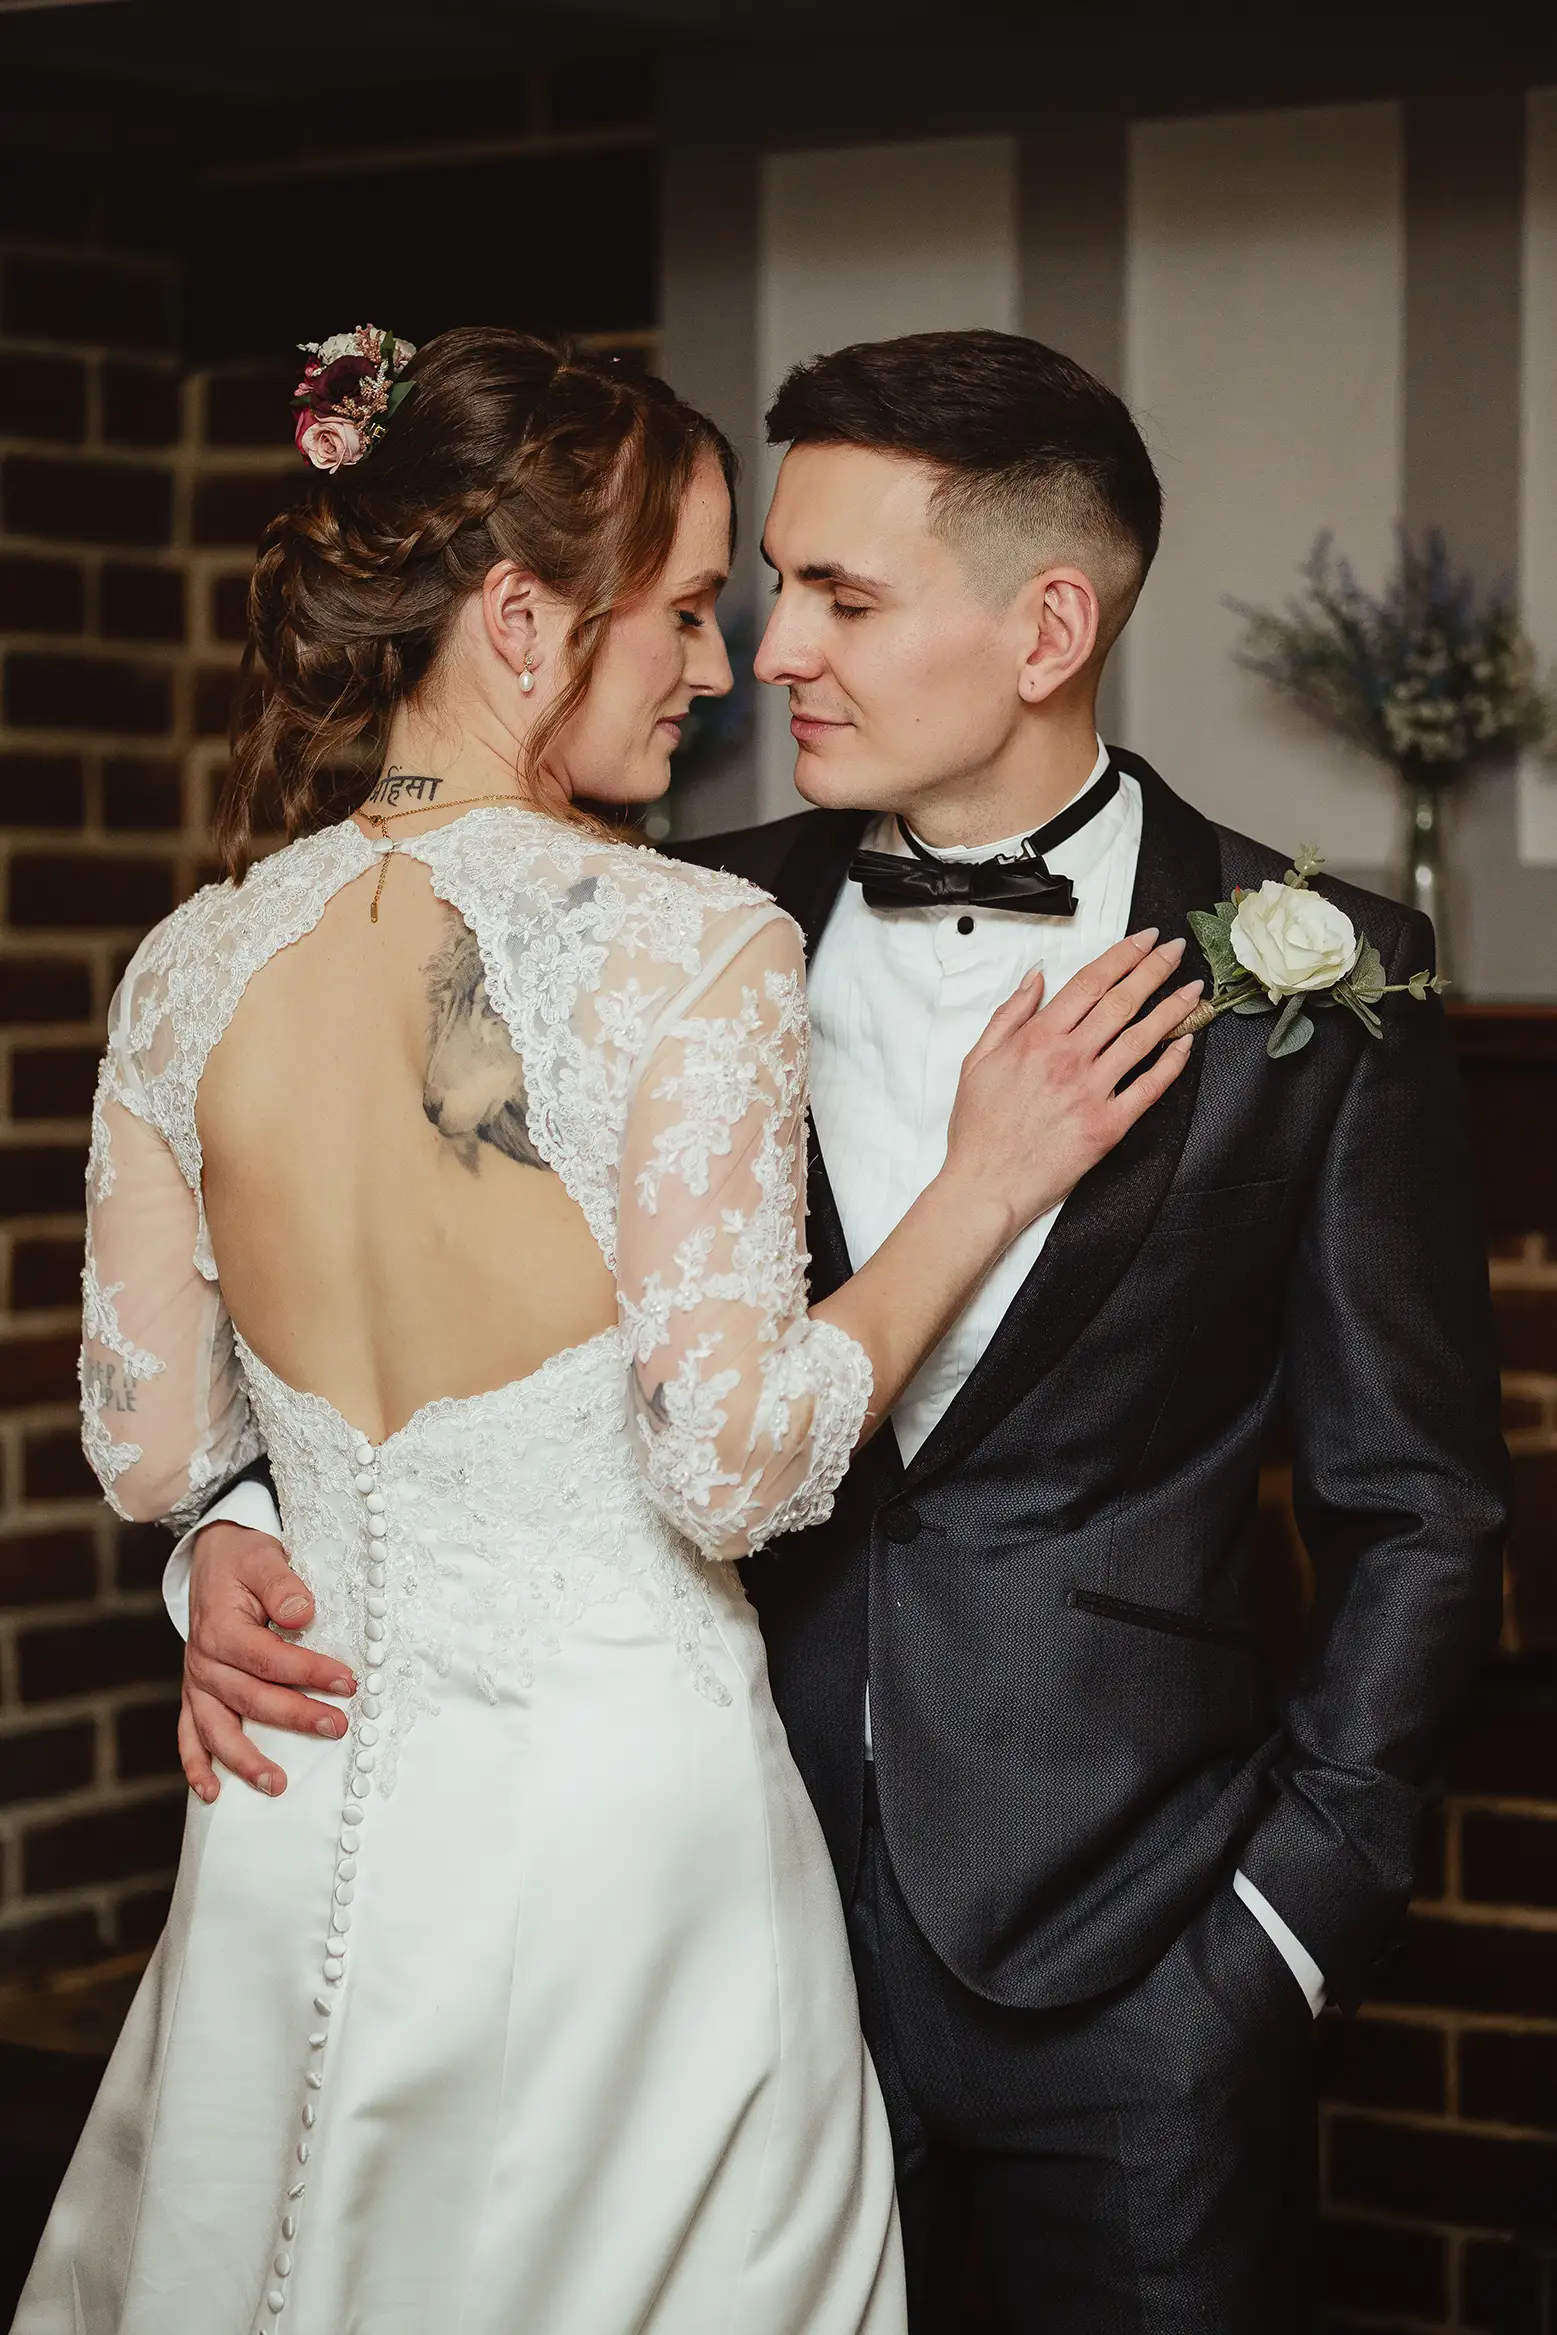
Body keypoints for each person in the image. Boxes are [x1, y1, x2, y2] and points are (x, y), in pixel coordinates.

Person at [181, 331, 1510, 2334]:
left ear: (1047, 621)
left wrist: (1285, 1924)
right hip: (700, 1936)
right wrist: (224, 1536)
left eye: (845, 598)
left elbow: (1419, 1510)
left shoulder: (1324, 991)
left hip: (1144, 1971)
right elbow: (396, 1308)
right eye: (770, 586)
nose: (772, 648)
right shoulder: (652, 932)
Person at [15, 326, 1197, 2335]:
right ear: (513, 614)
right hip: (616, 1847)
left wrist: (232, 1542)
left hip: (299, 1831)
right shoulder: (681, 942)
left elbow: (149, 1455)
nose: (724, 664)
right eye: (679, 609)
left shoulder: (186, 964)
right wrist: (977, 1192)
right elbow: (729, 1463)